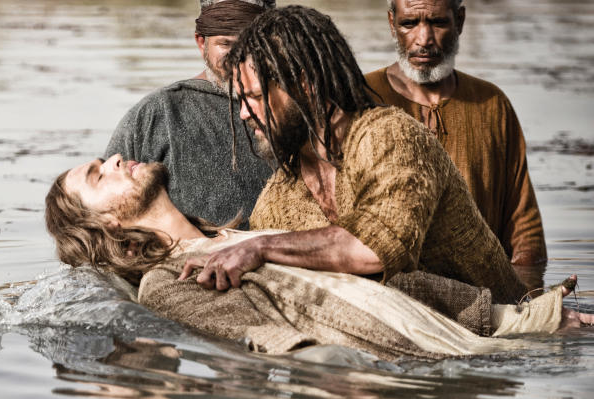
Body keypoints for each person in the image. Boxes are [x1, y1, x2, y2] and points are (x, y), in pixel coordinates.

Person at [43, 154, 591, 361]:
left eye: (103, 160)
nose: (114, 158)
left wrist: (519, 318)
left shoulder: (250, 233)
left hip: (480, 334)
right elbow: (281, 346)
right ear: (108, 223)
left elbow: (388, 286)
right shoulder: (166, 284)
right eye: (98, 174)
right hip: (407, 371)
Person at [191, 5, 528, 306]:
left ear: (304, 83)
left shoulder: (389, 136)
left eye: (254, 97)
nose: (244, 115)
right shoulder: (278, 200)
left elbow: (377, 248)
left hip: (509, 334)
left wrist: (260, 247)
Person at [364, 0, 546, 267]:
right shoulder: (361, 98)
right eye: (409, 23)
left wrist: (528, 300)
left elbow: (524, 231)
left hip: (481, 289)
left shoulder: (492, 104)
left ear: (459, 21)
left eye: (438, 23)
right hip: (387, 291)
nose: (423, 39)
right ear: (392, 24)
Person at [104, 0, 273, 227]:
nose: (240, 57)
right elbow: (102, 213)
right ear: (201, 42)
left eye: (253, 45)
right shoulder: (157, 113)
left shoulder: (301, 111)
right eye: (226, 44)